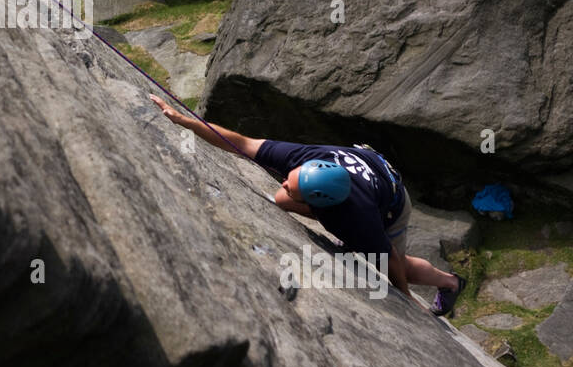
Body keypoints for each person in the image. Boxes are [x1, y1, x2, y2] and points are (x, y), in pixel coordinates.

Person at [149, 96, 466, 315]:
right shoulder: (304, 160)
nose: (284, 180)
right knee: (280, 200)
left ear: (322, 204)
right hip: (367, 167)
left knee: (402, 266)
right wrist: (184, 121)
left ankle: (450, 282)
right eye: (291, 178)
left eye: (292, 183)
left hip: (392, 199)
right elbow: (242, 143)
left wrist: (405, 296)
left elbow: (390, 260)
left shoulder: (359, 219)